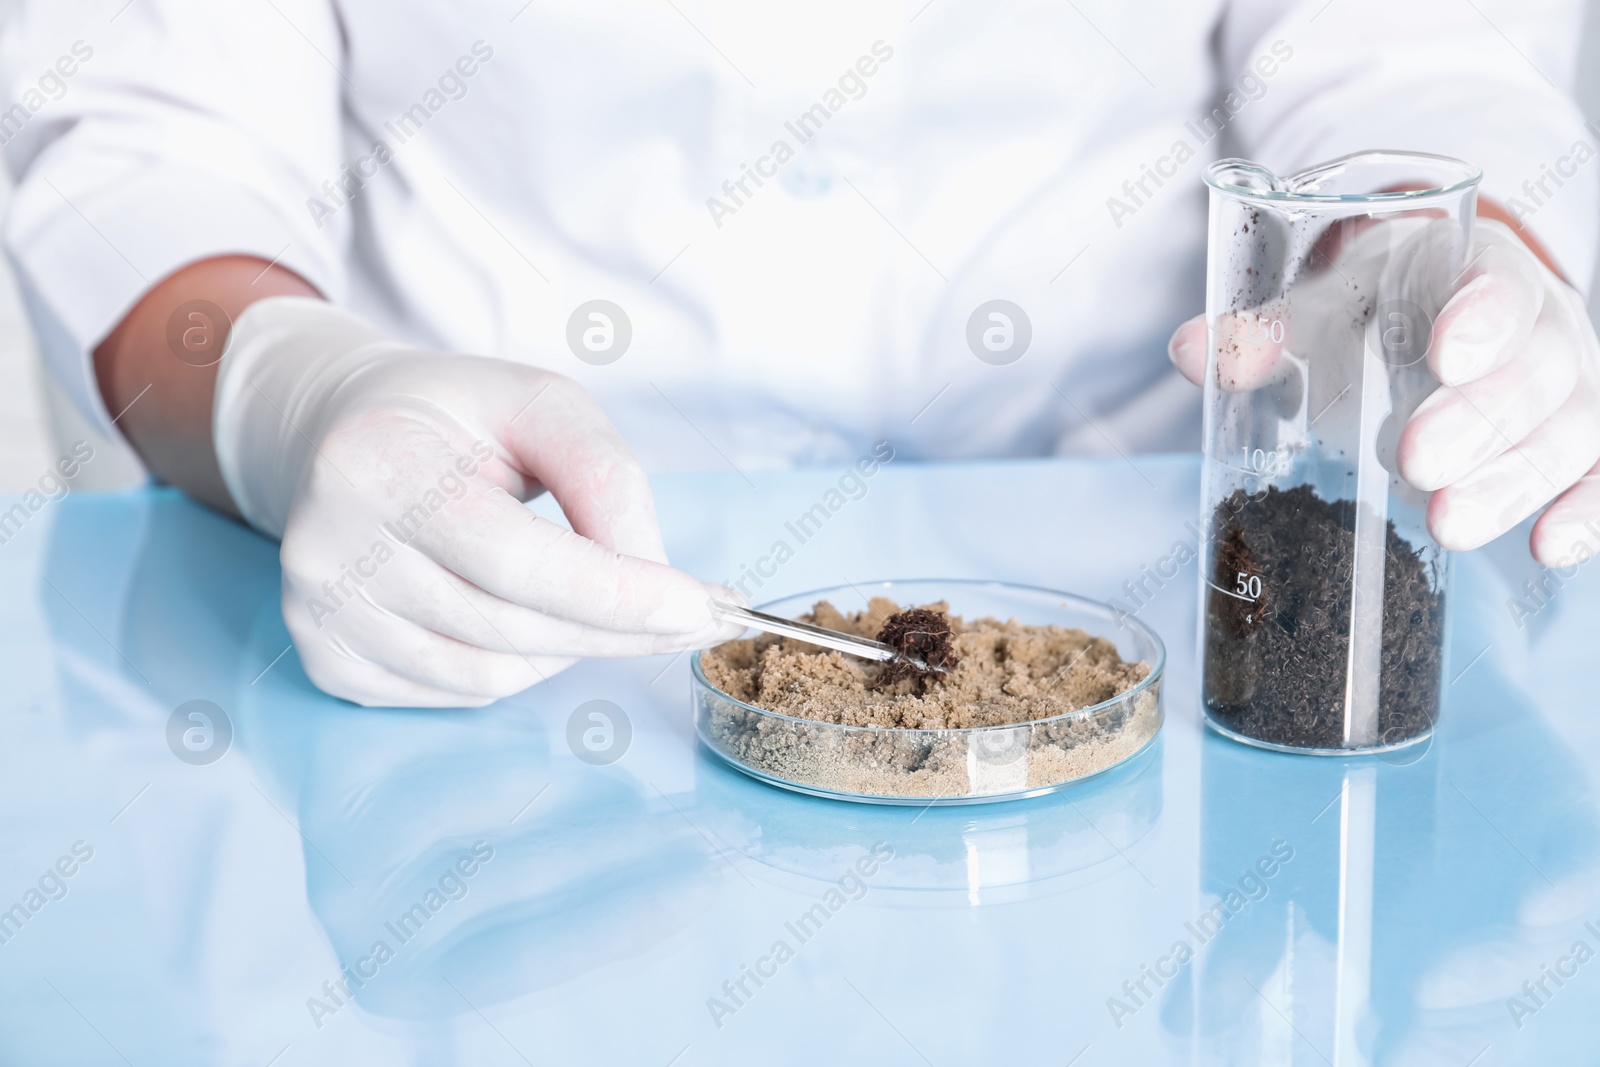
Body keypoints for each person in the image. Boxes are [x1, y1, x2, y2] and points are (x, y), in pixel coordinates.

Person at [2, 0, 1595, 706]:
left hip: (1161, 569)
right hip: (498, 587)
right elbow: (153, 149)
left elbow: (1422, 55)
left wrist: (1414, 260)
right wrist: (297, 396)